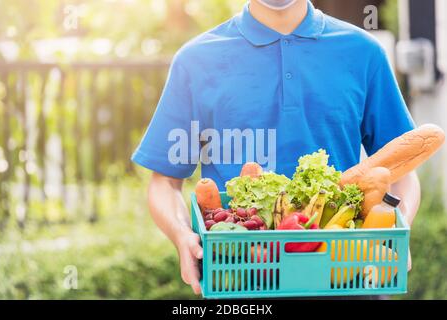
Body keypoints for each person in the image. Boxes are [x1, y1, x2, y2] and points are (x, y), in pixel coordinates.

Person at [131, 0, 420, 295]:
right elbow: (165, 181)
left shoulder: (363, 52)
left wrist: (400, 224)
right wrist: (181, 236)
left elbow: (402, 169)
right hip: (240, 280)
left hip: (346, 277)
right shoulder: (195, 61)